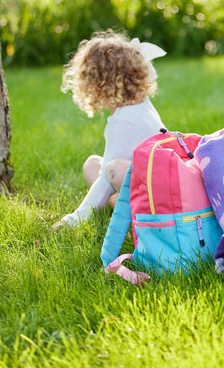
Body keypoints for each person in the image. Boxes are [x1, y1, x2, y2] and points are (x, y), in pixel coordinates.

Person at [51, 30, 166, 230]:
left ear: (96, 85)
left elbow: (106, 179)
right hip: (158, 185)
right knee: (92, 164)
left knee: (114, 169)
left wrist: (74, 219)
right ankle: (118, 205)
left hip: (157, 202)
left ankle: (133, 221)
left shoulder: (123, 122)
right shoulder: (141, 104)